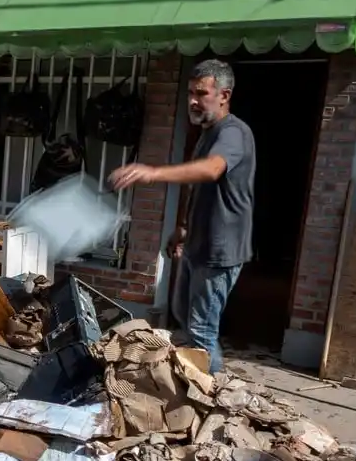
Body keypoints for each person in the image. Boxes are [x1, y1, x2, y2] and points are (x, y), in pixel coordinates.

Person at [108, 59, 255, 374]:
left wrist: (153, 173)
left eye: (201, 93)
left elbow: (212, 169)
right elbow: (199, 185)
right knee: (185, 321)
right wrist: (184, 227)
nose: (192, 100)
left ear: (224, 95)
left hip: (220, 250)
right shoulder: (207, 133)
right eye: (190, 92)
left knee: (201, 331)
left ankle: (209, 396)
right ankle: (192, 388)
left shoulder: (233, 133)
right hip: (198, 243)